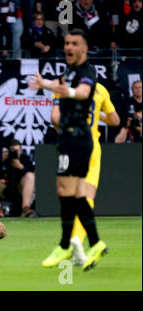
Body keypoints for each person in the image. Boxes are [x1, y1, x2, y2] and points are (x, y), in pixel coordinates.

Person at [29, 28, 108, 271]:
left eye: (74, 43)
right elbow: (63, 85)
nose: (69, 47)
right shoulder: (70, 71)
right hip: (69, 138)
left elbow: (83, 92)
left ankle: (67, 244)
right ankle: (93, 242)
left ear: (84, 48)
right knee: (68, 192)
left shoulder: (87, 72)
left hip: (79, 138)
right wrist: (46, 83)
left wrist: (66, 91)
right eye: (66, 43)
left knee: (70, 192)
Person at [51, 82, 120, 266]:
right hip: (90, 147)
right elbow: (115, 121)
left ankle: (76, 242)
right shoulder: (100, 89)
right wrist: (98, 116)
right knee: (86, 195)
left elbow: (55, 118)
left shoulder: (63, 86)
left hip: (69, 146)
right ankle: (77, 241)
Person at [0, 139, 36, 218]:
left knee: (30, 175)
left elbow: (32, 170)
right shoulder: (3, 159)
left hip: (20, 187)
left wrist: (21, 167)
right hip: (4, 187)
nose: (15, 153)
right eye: (13, 150)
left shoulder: (25, 158)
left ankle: (25, 208)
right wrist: (2, 161)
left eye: (17, 150)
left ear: (21, 150)